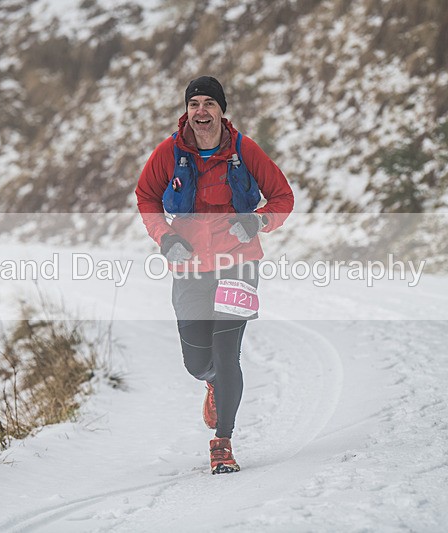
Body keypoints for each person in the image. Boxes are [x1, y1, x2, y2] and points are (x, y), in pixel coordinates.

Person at [136, 76, 294, 473]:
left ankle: (222, 441)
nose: (201, 111)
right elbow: (146, 197)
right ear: (187, 111)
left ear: (222, 110)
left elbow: (282, 198)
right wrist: (164, 236)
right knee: (197, 360)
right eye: (194, 104)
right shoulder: (170, 152)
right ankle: (211, 383)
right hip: (189, 266)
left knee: (227, 354)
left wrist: (258, 223)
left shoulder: (244, 150)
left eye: (209, 103)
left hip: (239, 262)